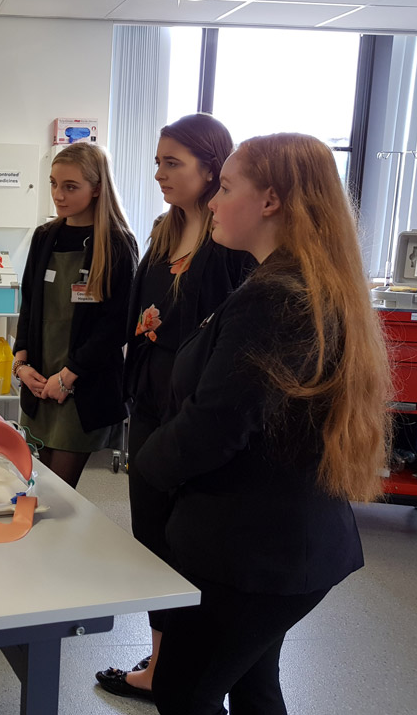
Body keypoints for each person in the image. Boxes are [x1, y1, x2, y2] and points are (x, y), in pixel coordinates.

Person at [107, 132, 391, 714]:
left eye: (227, 187)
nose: (213, 200)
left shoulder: (277, 298)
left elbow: (216, 423)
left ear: (271, 201)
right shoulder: (288, 283)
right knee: (255, 686)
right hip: (279, 548)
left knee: (184, 692)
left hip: (257, 552)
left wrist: (147, 466)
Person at [97, 113, 255, 697]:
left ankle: (180, 666)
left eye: (173, 163)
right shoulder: (165, 230)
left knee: (187, 541)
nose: (159, 173)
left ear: (211, 169)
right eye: (158, 161)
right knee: (152, 537)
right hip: (150, 406)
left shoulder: (231, 246)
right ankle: (160, 662)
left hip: (194, 414)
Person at [12, 142, 138, 488]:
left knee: (57, 490)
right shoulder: (45, 237)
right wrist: (21, 364)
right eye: (53, 184)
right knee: (34, 484)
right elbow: (30, 303)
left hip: (82, 385)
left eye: (70, 187)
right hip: (41, 382)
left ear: (97, 189)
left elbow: (116, 325)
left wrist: (68, 377)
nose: (58, 195)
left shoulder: (116, 243)